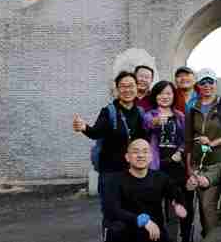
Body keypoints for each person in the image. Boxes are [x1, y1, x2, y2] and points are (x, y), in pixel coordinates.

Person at [72, 71, 147, 214]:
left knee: (133, 211)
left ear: (137, 88)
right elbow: (96, 132)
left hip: (134, 171)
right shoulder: (109, 111)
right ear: (117, 90)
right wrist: (84, 127)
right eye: (122, 86)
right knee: (111, 212)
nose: (127, 90)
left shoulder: (141, 113)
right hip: (111, 172)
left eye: (130, 86)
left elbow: (145, 140)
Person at [185, 68, 221, 238]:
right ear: (198, 86)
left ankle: (215, 237)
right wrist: (189, 168)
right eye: (203, 82)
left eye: (210, 82)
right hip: (198, 164)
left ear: (215, 84)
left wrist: (212, 143)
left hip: (219, 163)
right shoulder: (193, 107)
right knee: (203, 207)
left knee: (209, 206)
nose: (207, 85)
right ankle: (210, 234)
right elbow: (188, 140)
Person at [103, 139, 187, 242]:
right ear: (127, 157)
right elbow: (112, 210)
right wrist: (142, 220)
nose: (141, 155)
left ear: (151, 157)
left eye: (145, 151)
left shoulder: (160, 178)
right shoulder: (115, 181)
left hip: (154, 233)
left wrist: (178, 203)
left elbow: (175, 192)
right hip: (126, 232)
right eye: (135, 152)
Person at [142, 80, 188, 242]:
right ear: (155, 96)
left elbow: (185, 140)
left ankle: (172, 238)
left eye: (168, 93)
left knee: (174, 207)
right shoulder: (149, 115)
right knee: (154, 207)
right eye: (161, 93)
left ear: (173, 96)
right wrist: (154, 122)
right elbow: (145, 128)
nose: (164, 96)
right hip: (156, 165)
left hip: (175, 165)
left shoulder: (179, 116)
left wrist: (180, 152)